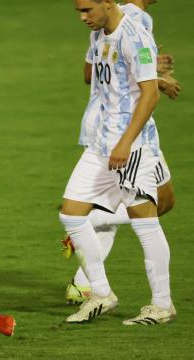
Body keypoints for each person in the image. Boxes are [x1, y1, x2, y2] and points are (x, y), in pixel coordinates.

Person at [59, 0, 175, 325]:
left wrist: (125, 142)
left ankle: (162, 304)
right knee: (71, 214)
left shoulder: (134, 35)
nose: (83, 18)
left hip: (130, 144)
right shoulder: (98, 34)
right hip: (99, 143)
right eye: (78, 12)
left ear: (107, 3)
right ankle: (100, 293)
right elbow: (91, 75)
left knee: (146, 221)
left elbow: (149, 95)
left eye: (87, 10)